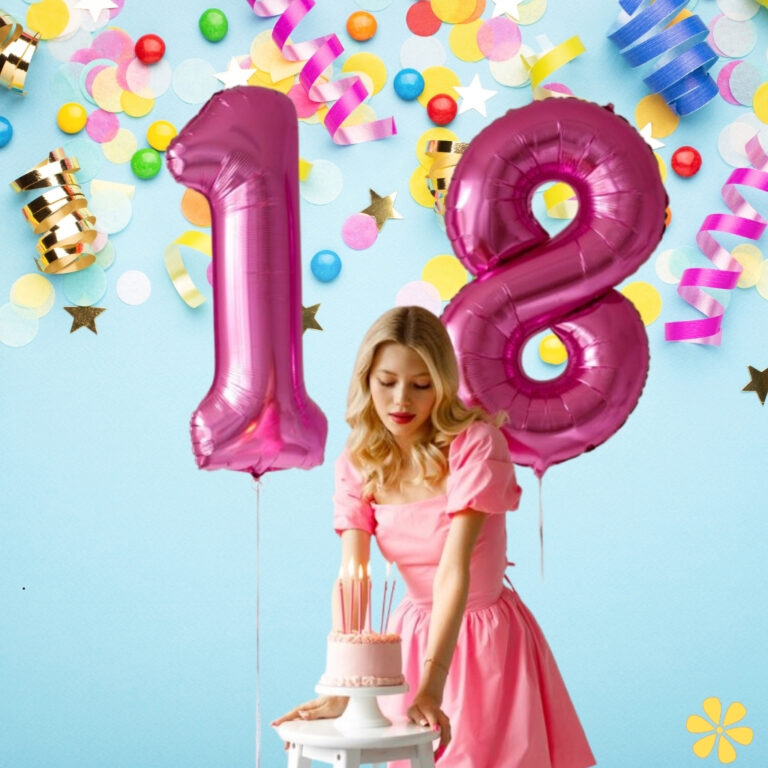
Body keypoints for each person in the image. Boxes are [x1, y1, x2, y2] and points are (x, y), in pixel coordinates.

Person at [273, 306, 595, 768]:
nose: (401, 400)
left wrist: (432, 682)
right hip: (407, 640)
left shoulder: (475, 444)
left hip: (484, 638)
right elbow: (352, 577)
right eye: (387, 382)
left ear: (441, 384)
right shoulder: (358, 461)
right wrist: (346, 687)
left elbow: (453, 568)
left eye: (420, 384)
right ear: (366, 381)